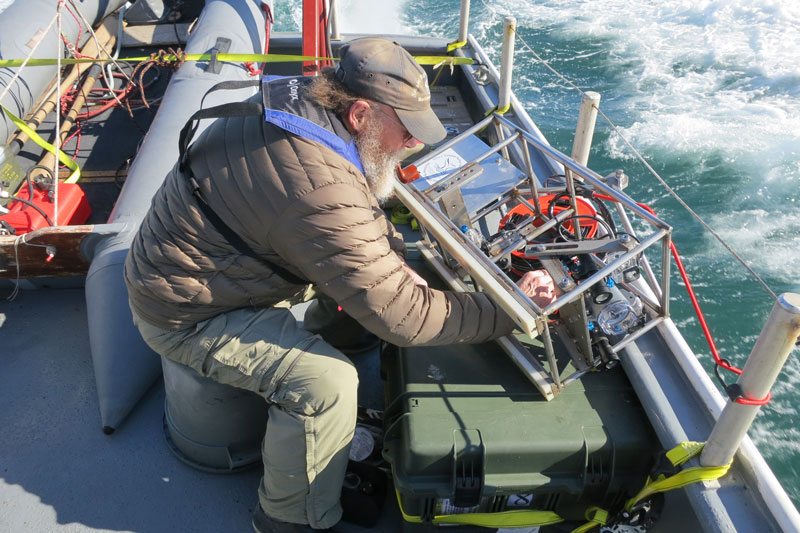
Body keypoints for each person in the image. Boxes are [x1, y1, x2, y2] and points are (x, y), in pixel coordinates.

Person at [124, 37, 558, 532]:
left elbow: (347, 215)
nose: (414, 144)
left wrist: (389, 259)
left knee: (370, 272)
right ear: (359, 115)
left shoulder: (300, 102)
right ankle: (291, 519)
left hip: (214, 266)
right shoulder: (319, 185)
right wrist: (510, 308)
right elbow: (406, 317)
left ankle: (344, 338)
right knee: (328, 386)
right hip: (187, 313)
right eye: (407, 131)